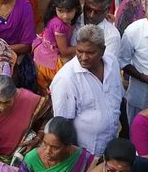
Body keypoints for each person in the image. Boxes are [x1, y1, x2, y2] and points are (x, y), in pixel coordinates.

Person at [50, 25, 124, 156]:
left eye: (90, 53)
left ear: (102, 50)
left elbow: (118, 99)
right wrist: (78, 158)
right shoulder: (66, 79)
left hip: (111, 145)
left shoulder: (112, 62)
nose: (83, 57)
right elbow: (63, 125)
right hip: (85, 153)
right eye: (79, 51)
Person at [21, 116, 97, 172]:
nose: (47, 151)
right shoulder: (31, 159)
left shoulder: (84, 159)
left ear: (68, 146)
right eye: (45, 143)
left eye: (54, 147)